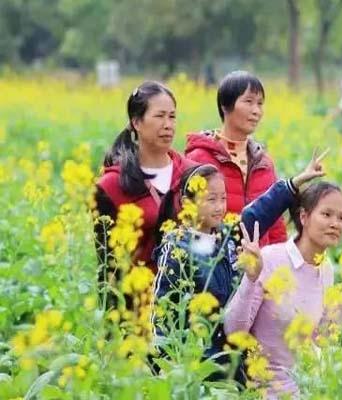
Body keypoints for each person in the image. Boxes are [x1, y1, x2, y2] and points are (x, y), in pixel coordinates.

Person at [151, 150, 329, 380]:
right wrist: (167, 371)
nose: (219, 207)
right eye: (210, 199)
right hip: (195, 364)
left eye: (223, 198)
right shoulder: (176, 247)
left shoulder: (227, 236)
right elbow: (162, 312)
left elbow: (260, 211)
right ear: (187, 203)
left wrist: (295, 183)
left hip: (233, 363)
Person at [224, 181, 342, 398]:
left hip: (303, 386)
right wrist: (250, 279)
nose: (335, 223)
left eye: (341, 218)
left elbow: (323, 336)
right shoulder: (270, 259)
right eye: (326, 214)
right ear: (304, 217)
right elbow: (234, 331)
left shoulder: (325, 269)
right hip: (261, 388)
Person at [94, 81, 196, 310]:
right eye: (159, 116)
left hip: (185, 311)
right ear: (136, 122)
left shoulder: (192, 174)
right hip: (136, 312)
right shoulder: (110, 186)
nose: (168, 125)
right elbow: (107, 270)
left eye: (172, 117)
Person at [185, 71, 286, 247]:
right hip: (213, 265)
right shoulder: (199, 158)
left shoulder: (264, 163)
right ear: (225, 105)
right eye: (248, 102)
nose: (256, 111)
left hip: (258, 268)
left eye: (260, 104)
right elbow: (188, 218)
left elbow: (275, 224)